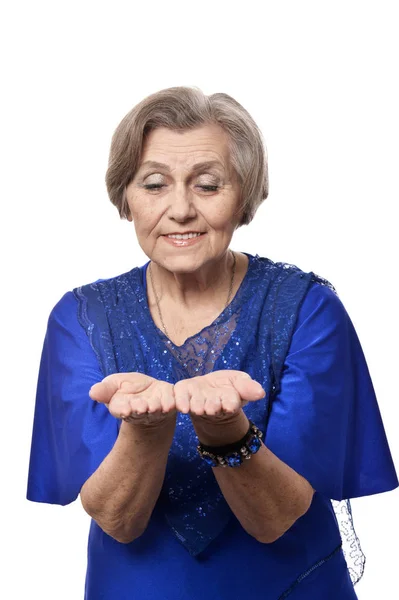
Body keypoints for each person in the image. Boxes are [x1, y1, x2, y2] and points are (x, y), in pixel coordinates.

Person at [27, 86, 398, 600]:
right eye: (154, 184)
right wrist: (145, 430)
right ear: (125, 197)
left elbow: (275, 519)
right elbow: (118, 518)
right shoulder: (82, 319)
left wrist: (226, 430)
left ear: (243, 193)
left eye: (207, 185)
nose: (180, 209)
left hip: (289, 585)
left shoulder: (308, 310)